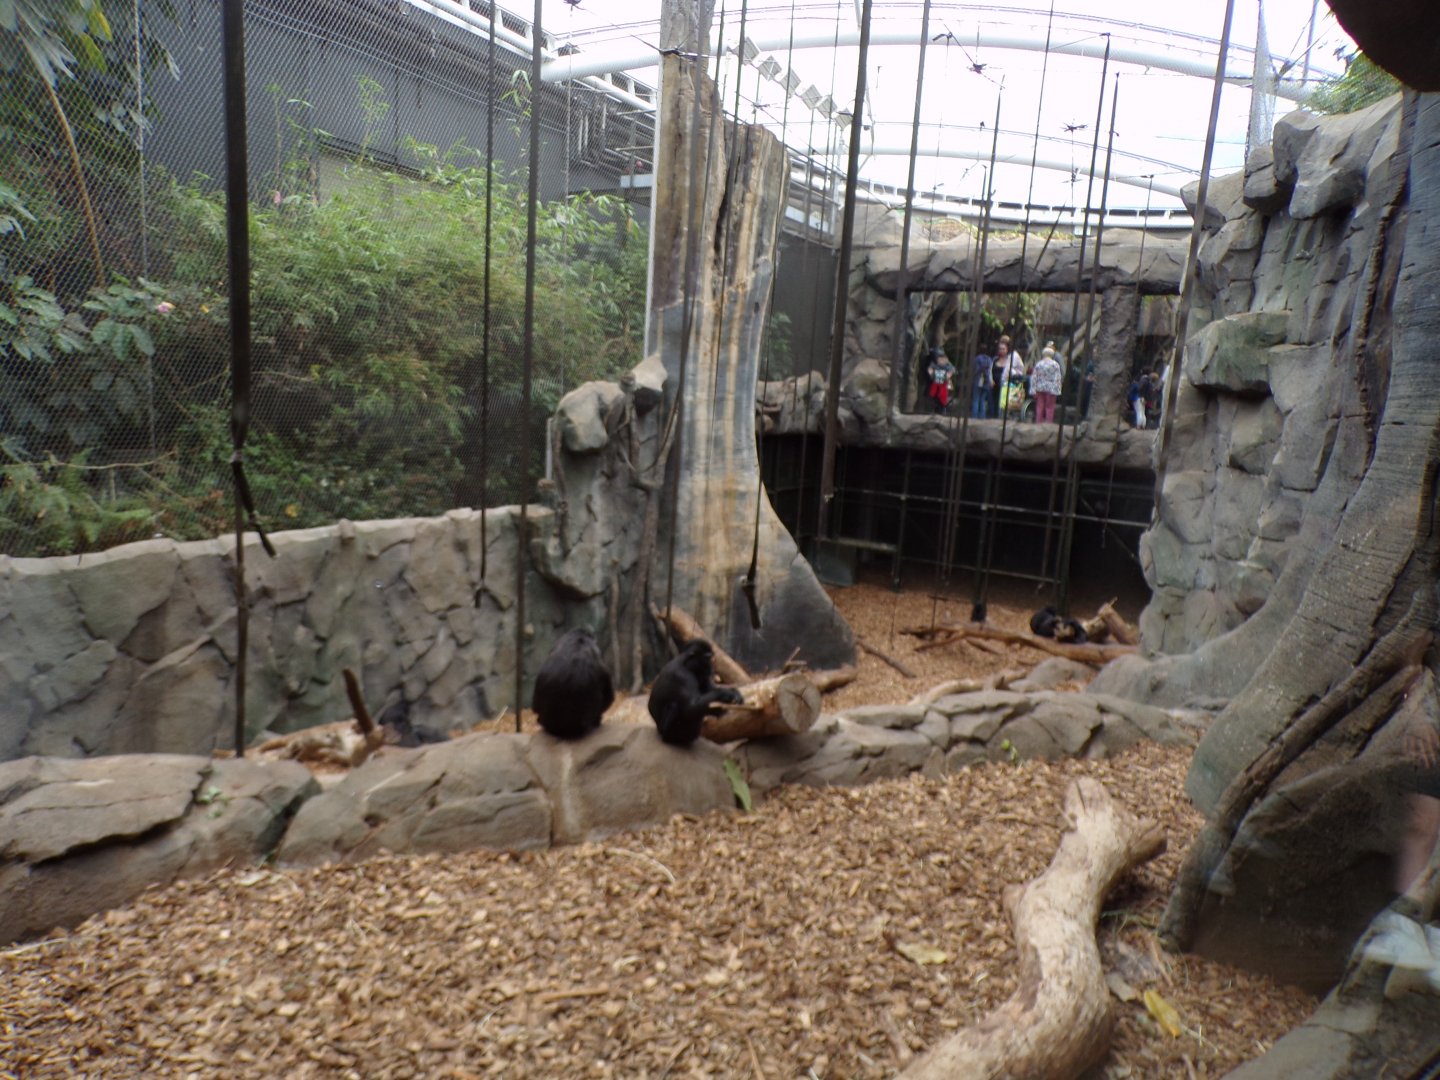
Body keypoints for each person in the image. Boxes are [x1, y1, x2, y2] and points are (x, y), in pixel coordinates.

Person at [994, 336, 1026, 418]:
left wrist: (1003, 380)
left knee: (1006, 401)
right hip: (1010, 381)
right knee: (1005, 401)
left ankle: (1002, 417)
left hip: (1012, 382)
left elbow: (1008, 369)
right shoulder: (1010, 355)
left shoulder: (1013, 356)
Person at [1030, 343, 1063, 424]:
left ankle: (1038, 422)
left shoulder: (1039, 364)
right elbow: (1058, 378)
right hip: (1051, 389)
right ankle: (1048, 424)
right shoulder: (1055, 365)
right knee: (1050, 407)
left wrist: (1033, 390)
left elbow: (1034, 377)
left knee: (1039, 406)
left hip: (1040, 388)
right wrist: (1057, 389)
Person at [925, 347, 956, 413]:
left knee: (941, 397)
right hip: (938, 382)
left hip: (942, 382)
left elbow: (952, 370)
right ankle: (940, 409)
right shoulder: (934, 362)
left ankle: (942, 409)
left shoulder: (943, 362)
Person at [970, 349, 993, 418]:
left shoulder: (977, 358)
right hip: (986, 382)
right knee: (982, 400)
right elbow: (990, 372)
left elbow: (975, 370)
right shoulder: (989, 359)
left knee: (975, 400)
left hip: (978, 381)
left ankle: (974, 417)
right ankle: (982, 416)